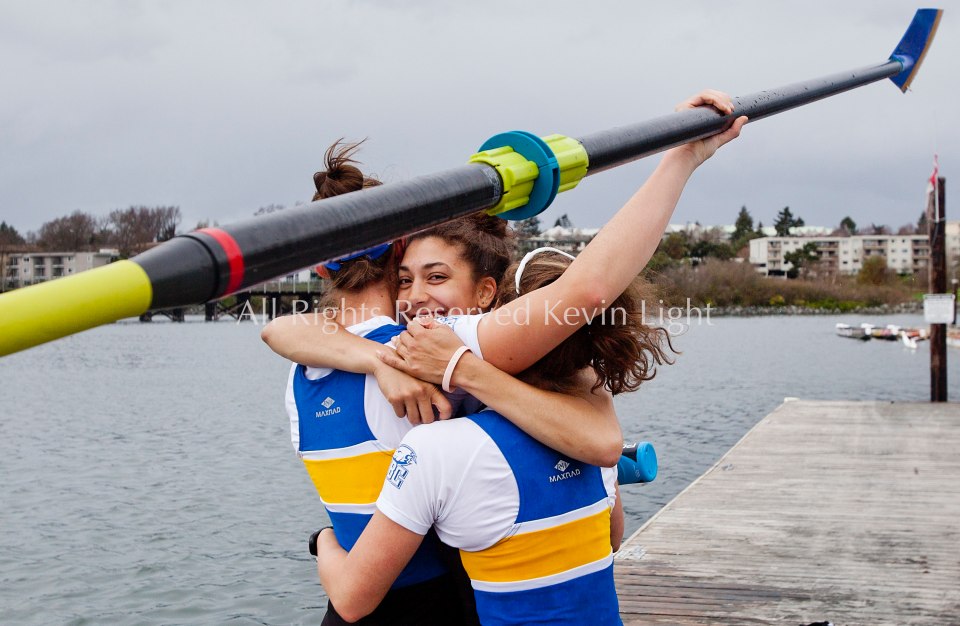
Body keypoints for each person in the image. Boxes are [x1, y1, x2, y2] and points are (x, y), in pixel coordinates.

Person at [310, 90, 747, 624]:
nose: (416, 297)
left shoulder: (456, 343)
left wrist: (682, 157)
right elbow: (285, 331)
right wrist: (378, 361)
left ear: (489, 294)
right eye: (405, 279)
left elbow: (588, 292)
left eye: (436, 277)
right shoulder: (424, 349)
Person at [263, 143, 627, 624]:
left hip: (351, 597)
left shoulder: (298, 374)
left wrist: (325, 542)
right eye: (414, 275)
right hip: (444, 605)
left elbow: (278, 329)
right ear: (399, 250)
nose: (418, 296)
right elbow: (578, 302)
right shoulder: (432, 352)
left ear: (318, 266)